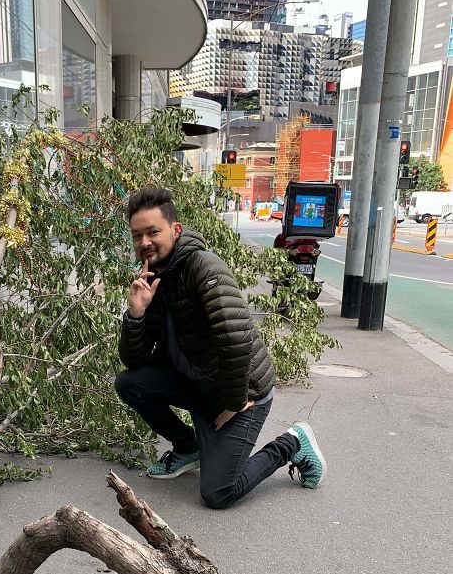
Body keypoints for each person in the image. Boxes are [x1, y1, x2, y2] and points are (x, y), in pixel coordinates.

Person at [114, 186, 325, 509]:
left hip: (243, 392)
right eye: (137, 235)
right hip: (198, 383)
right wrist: (136, 314)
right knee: (129, 383)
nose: (144, 242)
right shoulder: (152, 278)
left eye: (153, 232)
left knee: (218, 492)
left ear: (175, 229)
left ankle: (292, 442)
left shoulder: (204, 267)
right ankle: (188, 447)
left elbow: (235, 338)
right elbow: (135, 360)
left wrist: (234, 401)